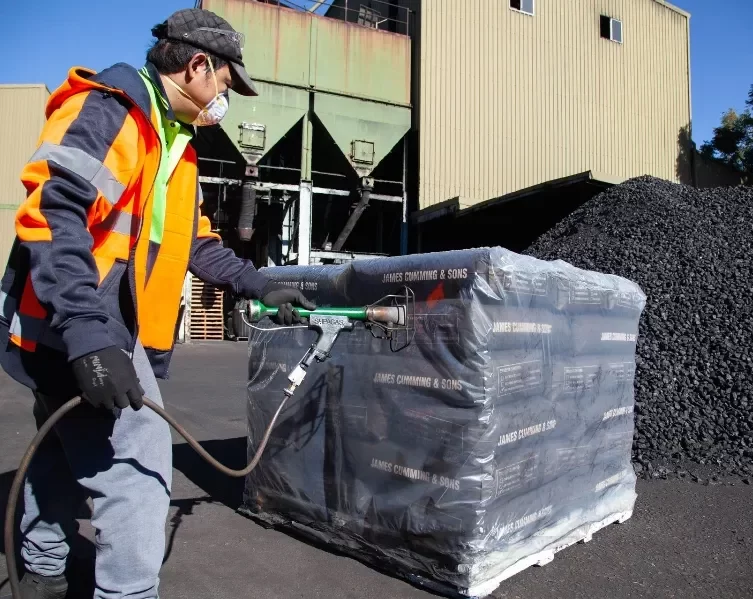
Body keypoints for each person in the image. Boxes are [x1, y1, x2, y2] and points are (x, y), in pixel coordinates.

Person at [0, 8, 315, 599]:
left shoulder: (175, 146)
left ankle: (41, 569)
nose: (226, 96)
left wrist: (259, 287)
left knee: (62, 448)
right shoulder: (111, 111)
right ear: (197, 65)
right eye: (224, 81)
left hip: (82, 328)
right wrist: (89, 334)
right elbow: (54, 212)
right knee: (141, 471)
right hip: (82, 328)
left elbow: (194, 244)